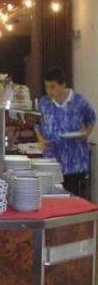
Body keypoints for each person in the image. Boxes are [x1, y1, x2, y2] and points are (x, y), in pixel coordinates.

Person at [35, 66, 96, 197]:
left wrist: (86, 133)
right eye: (47, 87)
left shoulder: (79, 101)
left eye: (53, 87)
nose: (49, 91)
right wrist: (41, 140)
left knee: (73, 198)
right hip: (51, 160)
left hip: (75, 160)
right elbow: (37, 124)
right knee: (53, 197)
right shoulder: (44, 103)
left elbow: (91, 118)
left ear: (63, 84)